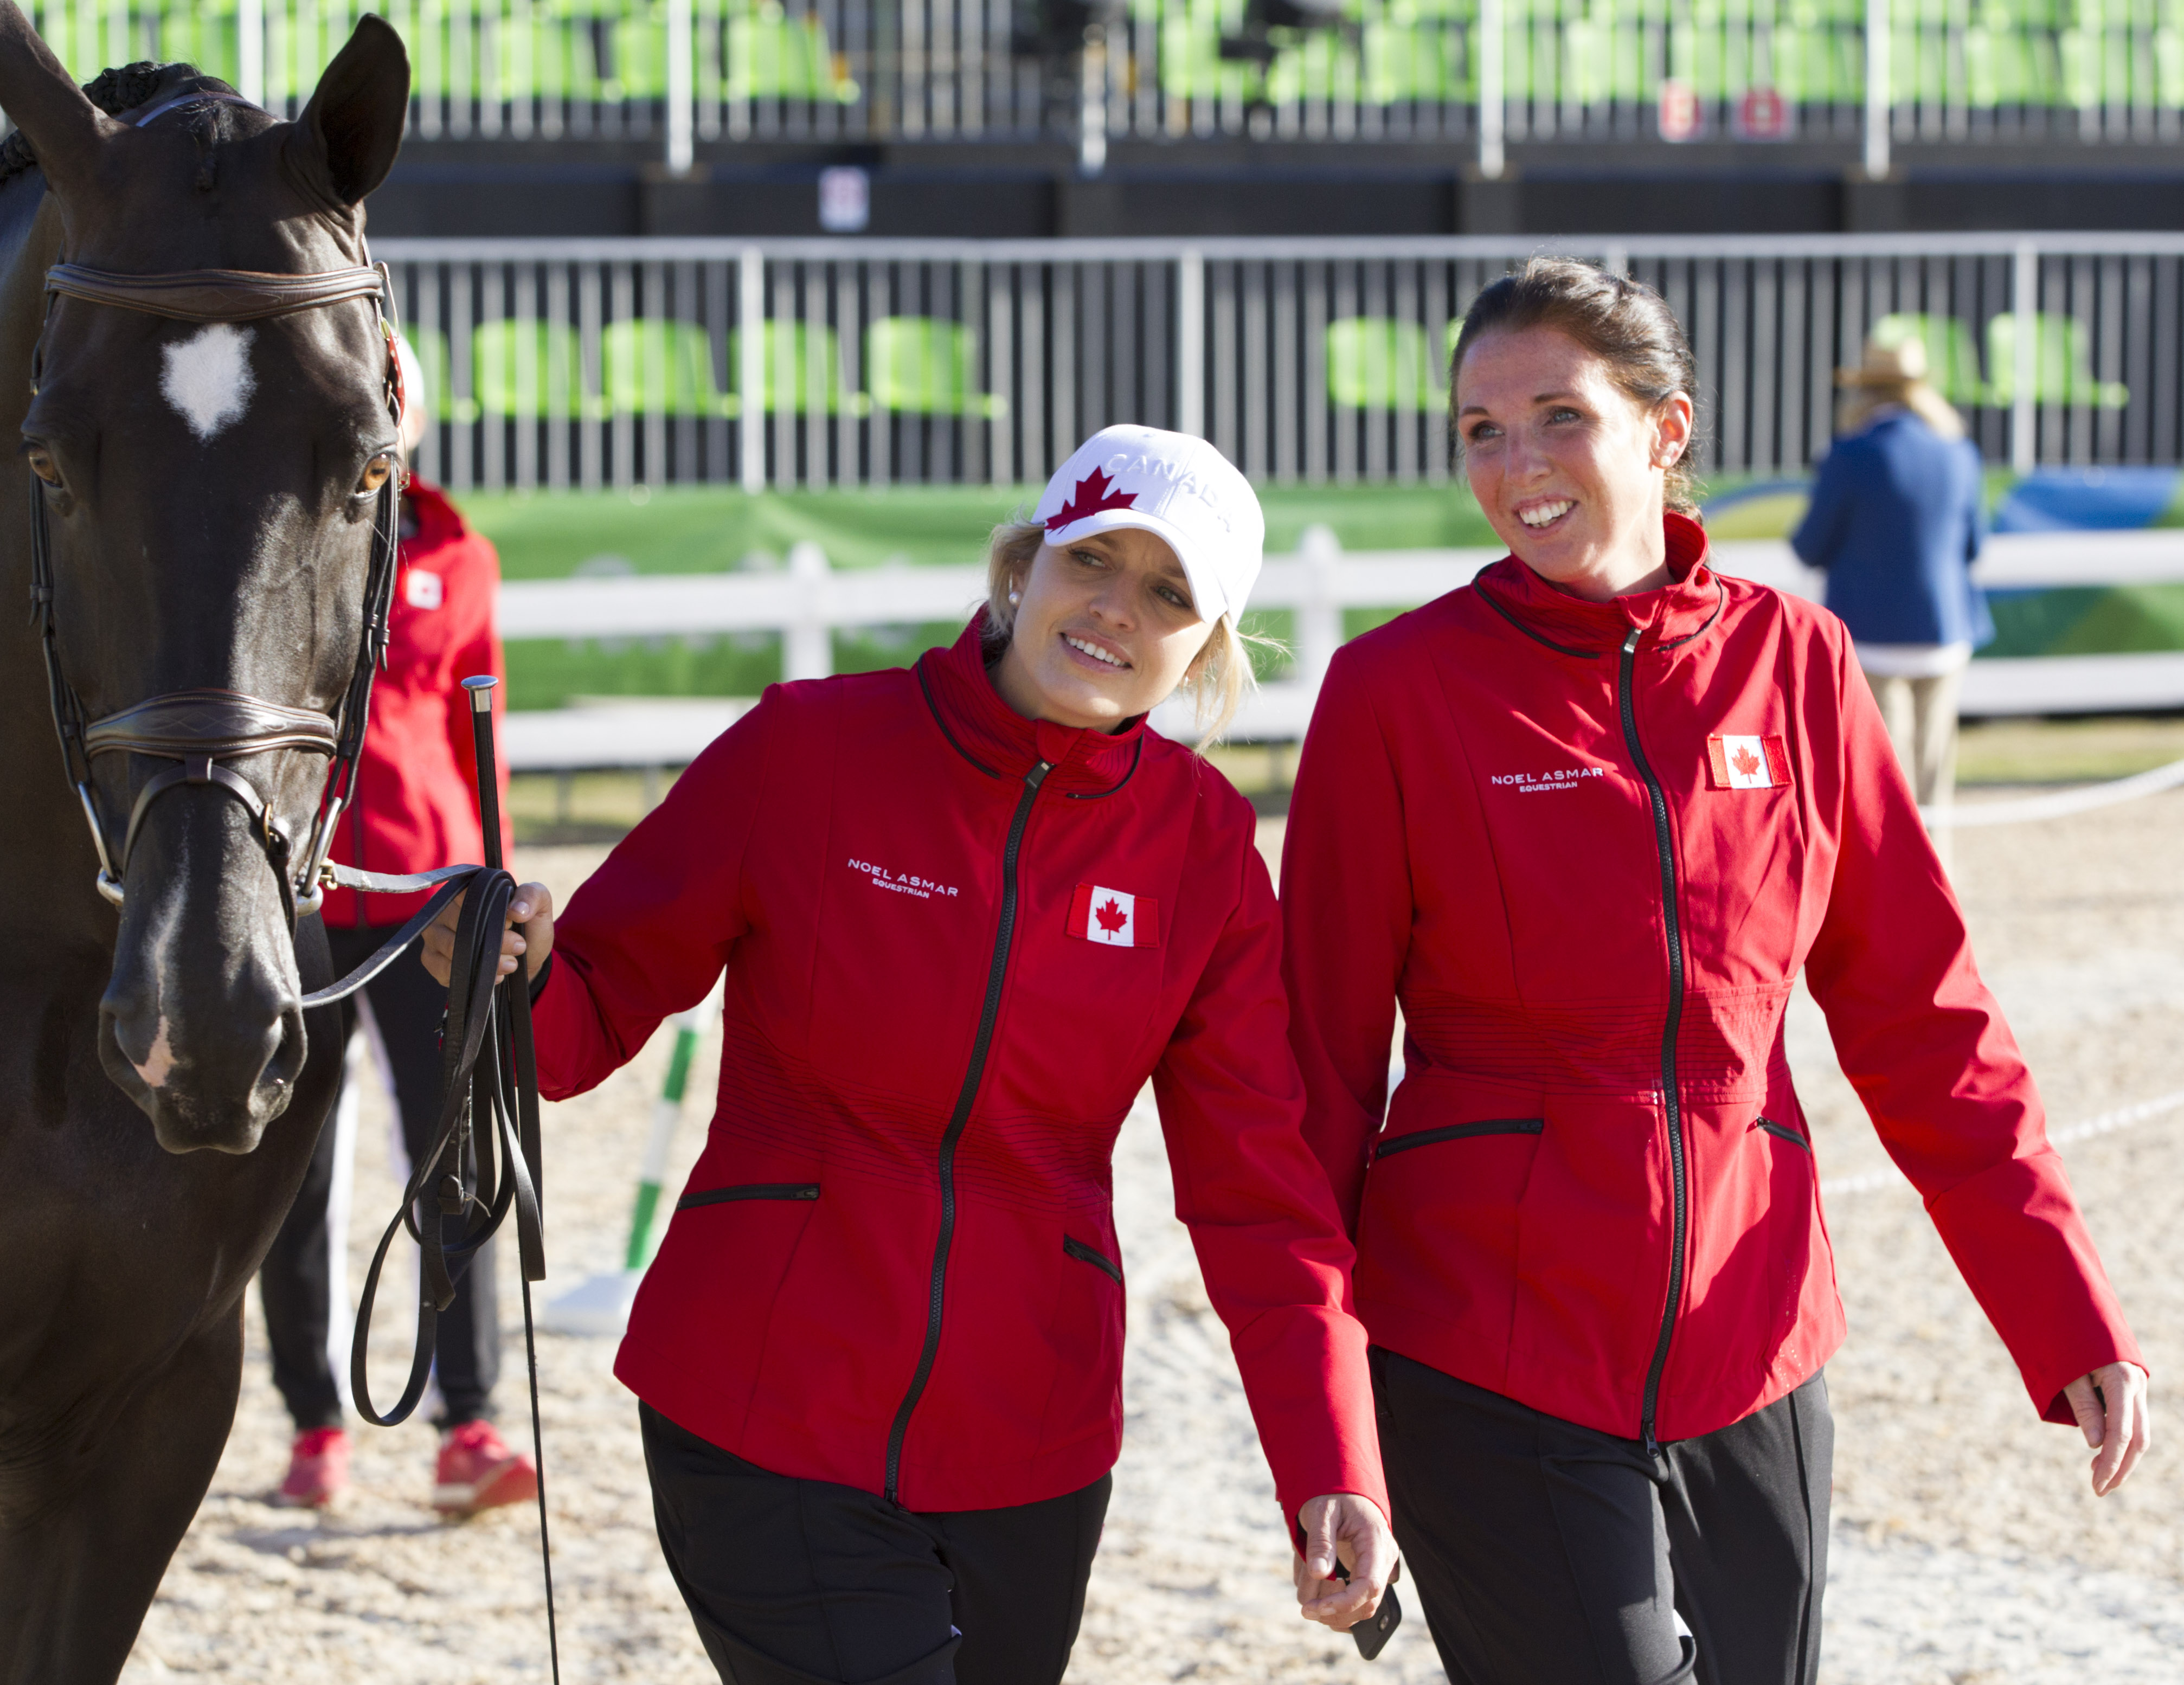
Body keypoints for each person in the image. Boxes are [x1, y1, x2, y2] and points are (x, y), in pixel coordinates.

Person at [1280, 259, 2148, 1685]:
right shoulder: (1394, 691)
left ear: (1664, 430)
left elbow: (1925, 1017)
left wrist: (2062, 1304)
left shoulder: (1795, 663)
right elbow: (1313, 1073)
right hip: (1481, 1348)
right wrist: (1318, 1432)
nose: (1513, 466)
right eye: (1479, 430)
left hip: (1757, 1331)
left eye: (1557, 416)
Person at [436, 426, 1399, 1683]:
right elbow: (585, 1019)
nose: (1113, 609)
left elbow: (1263, 1197)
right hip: (762, 1397)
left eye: (1166, 594)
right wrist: (510, 972)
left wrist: (1334, 1469)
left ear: (1205, 646)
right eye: (1091, 560)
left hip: (1034, 1445)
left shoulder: (1206, 849)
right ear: (1021, 564)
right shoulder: (808, 750)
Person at [260, 342, 540, 1519]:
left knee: (456, 1158)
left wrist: (502, 889)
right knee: (291, 1173)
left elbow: (485, 729)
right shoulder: (273, 537)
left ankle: (467, 1420)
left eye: (390, 397)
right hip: (302, 894)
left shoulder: (460, 553)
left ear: (410, 416)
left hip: (434, 898)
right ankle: (316, 1425)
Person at [1790, 333, 1992, 851]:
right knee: (1934, 769)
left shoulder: (1853, 454)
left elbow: (1811, 546)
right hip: (1946, 627)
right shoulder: (1958, 451)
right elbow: (1973, 545)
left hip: (1871, 631)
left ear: (1865, 392)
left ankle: (1900, 879)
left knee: (1889, 770)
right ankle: (1940, 874)